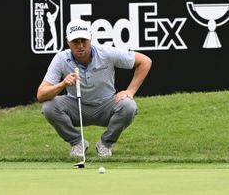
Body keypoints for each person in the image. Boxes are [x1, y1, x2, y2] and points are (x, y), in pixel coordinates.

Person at [37, 19, 152, 158]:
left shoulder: (106, 53)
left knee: (129, 106)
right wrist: (62, 84)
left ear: (90, 38)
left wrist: (130, 91)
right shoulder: (61, 59)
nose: (80, 46)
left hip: (106, 106)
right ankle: (77, 143)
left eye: (84, 40)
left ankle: (105, 144)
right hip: (76, 106)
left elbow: (145, 61)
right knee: (48, 106)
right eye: (75, 41)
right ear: (68, 42)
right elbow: (41, 95)